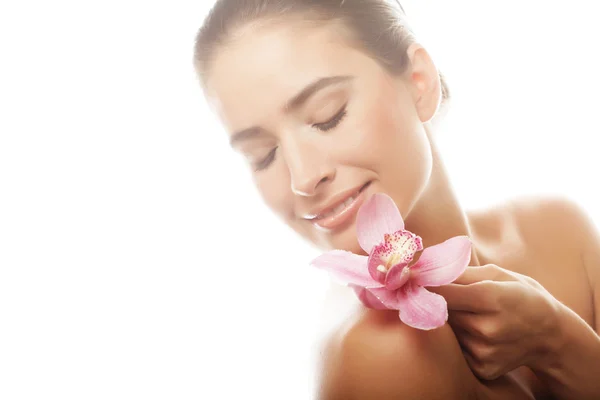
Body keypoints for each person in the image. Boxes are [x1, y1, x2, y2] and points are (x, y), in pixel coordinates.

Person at [192, 0, 600, 398]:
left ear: (419, 82)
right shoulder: (384, 354)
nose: (303, 178)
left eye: (327, 115)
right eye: (262, 155)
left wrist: (557, 338)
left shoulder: (560, 229)